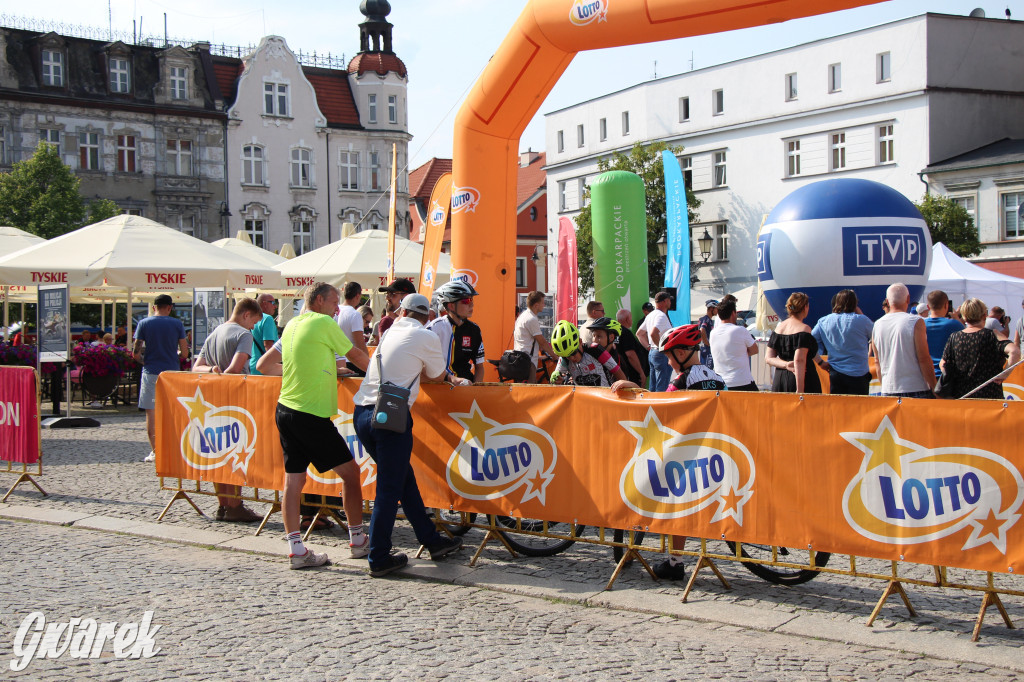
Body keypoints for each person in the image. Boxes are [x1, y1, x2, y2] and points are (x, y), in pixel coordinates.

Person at [351, 293, 463, 577]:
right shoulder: (426, 336)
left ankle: (431, 540)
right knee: (389, 489)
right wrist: (450, 377)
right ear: (427, 317)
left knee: (403, 480)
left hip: (363, 412)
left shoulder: (389, 331)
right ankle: (378, 557)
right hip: (390, 416)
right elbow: (436, 374)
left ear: (402, 312)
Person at [274, 283, 370, 569]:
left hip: (286, 409)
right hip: (310, 413)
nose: (337, 308)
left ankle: (296, 550)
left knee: (293, 481)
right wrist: (383, 376)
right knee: (351, 474)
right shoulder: (323, 322)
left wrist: (329, 370)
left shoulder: (293, 323)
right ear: (318, 300)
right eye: (334, 302)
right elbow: (355, 355)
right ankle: (358, 540)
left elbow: (298, 360)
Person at [654, 324, 726, 581]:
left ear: (682, 353)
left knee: (677, 503)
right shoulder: (716, 377)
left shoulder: (680, 381)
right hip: (717, 451)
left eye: (669, 356)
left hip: (691, 453)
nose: (668, 362)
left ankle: (675, 562)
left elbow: (661, 412)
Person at [192, 298, 264, 523]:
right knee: (234, 451)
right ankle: (234, 505)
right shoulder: (243, 334)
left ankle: (223, 504)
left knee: (219, 452)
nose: (253, 327)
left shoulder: (214, 333)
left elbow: (196, 367)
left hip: (212, 399)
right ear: (246, 314)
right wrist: (224, 372)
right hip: (235, 399)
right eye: (254, 322)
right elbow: (235, 369)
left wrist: (213, 370)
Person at [133, 294, 189, 463]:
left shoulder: (144, 323)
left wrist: (144, 361)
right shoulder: (177, 324)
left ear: (153, 307)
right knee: (173, 411)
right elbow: (184, 353)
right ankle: (174, 449)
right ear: (170, 307)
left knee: (151, 412)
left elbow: (136, 352)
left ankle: (156, 452)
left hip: (151, 371)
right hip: (171, 373)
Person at [941, 298, 1021, 399]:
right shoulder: (993, 335)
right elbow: (1015, 352)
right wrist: (1005, 373)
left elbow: (943, 363)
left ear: (964, 317)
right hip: (989, 395)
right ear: (984, 315)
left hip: (962, 395)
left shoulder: (954, 337)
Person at [870, 283, 936, 399]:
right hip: (915, 387)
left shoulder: (877, 324)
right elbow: (924, 358)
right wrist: (935, 387)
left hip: (888, 388)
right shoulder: (916, 322)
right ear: (908, 299)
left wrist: (884, 385)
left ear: (887, 301)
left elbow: (877, 361)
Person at [811, 289, 874, 395]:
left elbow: (808, 343)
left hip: (836, 373)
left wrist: (820, 362)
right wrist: (860, 313)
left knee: (839, 404)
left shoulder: (824, 321)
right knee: (859, 405)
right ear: (855, 303)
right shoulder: (863, 321)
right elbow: (876, 335)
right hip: (859, 374)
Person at [427, 280, 485, 384]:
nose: (471, 304)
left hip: (465, 385)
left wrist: (475, 389)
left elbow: (479, 367)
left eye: (471, 299)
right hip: (439, 386)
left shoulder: (474, 329)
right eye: (466, 301)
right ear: (451, 306)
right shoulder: (435, 327)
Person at [549, 320, 633, 389]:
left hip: (605, 399)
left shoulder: (596, 350)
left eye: (574, 353)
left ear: (580, 342)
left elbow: (619, 373)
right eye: (567, 356)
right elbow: (556, 376)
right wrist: (556, 379)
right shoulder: (564, 357)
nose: (572, 358)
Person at [765, 292, 822, 394]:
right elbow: (799, 360)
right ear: (805, 307)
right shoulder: (804, 329)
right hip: (801, 379)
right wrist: (800, 390)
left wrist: (786, 364)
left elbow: (768, 358)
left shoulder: (779, 328)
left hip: (780, 379)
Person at [710, 298, 759, 391]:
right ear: (733, 313)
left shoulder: (713, 333)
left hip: (721, 382)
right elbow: (755, 350)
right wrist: (741, 353)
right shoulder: (740, 330)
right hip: (742, 381)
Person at [513, 291, 556, 383]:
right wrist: (554, 355)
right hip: (527, 361)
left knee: (522, 389)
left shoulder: (523, 316)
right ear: (536, 305)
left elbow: (529, 340)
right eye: (543, 303)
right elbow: (542, 342)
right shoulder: (531, 319)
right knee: (530, 389)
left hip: (520, 358)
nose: (544, 305)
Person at [923, 290, 963, 378]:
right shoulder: (955, 324)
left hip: (925, 375)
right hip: (947, 374)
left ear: (928, 307)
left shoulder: (920, 325)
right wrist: (957, 318)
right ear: (946, 305)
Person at [640, 292, 674, 391]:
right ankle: (659, 402)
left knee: (654, 386)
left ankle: (652, 401)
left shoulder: (651, 315)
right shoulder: (661, 316)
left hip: (653, 352)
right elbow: (653, 333)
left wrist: (649, 347)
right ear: (665, 301)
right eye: (669, 300)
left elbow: (639, 334)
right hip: (660, 353)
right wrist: (663, 349)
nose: (670, 302)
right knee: (661, 387)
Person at [335, 281, 368, 377]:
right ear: (357, 295)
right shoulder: (355, 314)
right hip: (352, 361)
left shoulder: (335, 310)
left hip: (337, 360)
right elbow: (360, 344)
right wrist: (368, 362)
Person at [375, 278, 416, 342]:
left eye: (392, 294)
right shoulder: (390, 322)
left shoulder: (417, 323)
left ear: (406, 297)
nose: (387, 298)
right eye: (387, 294)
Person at [615, 309, 647, 388]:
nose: (632, 321)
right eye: (631, 318)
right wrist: (641, 373)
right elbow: (630, 354)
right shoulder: (626, 333)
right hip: (630, 373)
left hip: (620, 370)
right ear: (627, 319)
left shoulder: (614, 332)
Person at [248, 293, 279, 376]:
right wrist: (276, 365)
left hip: (252, 364)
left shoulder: (251, 318)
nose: (275, 306)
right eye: (273, 303)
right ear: (264, 303)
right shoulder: (267, 318)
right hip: (264, 367)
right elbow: (268, 345)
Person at [697, 300, 719, 368]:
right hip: (707, 349)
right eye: (716, 308)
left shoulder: (708, 319)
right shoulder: (706, 319)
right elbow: (702, 330)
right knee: (708, 370)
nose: (717, 310)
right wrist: (707, 343)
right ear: (711, 308)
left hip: (704, 349)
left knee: (705, 369)